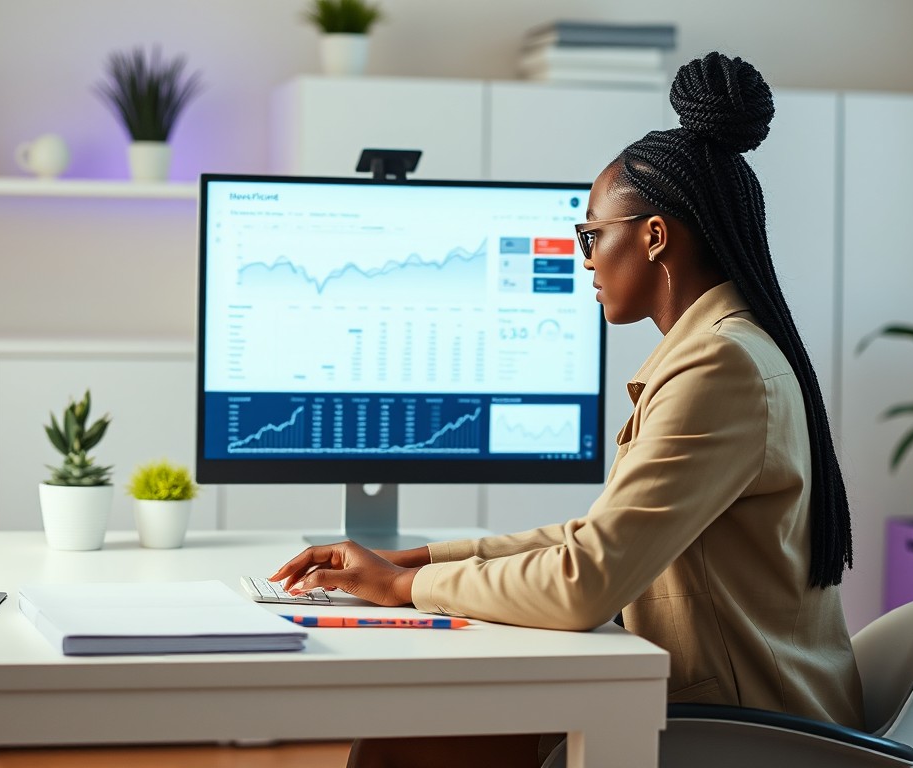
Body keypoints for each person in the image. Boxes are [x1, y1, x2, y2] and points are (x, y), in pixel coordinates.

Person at [270, 51, 865, 768]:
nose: (583, 258)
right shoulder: (725, 346)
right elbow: (594, 536)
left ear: (652, 237)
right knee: (414, 736)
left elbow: (586, 580)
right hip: (723, 701)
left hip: (742, 730)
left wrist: (401, 587)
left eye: (591, 235)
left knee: (413, 741)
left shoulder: (719, 367)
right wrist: (418, 559)